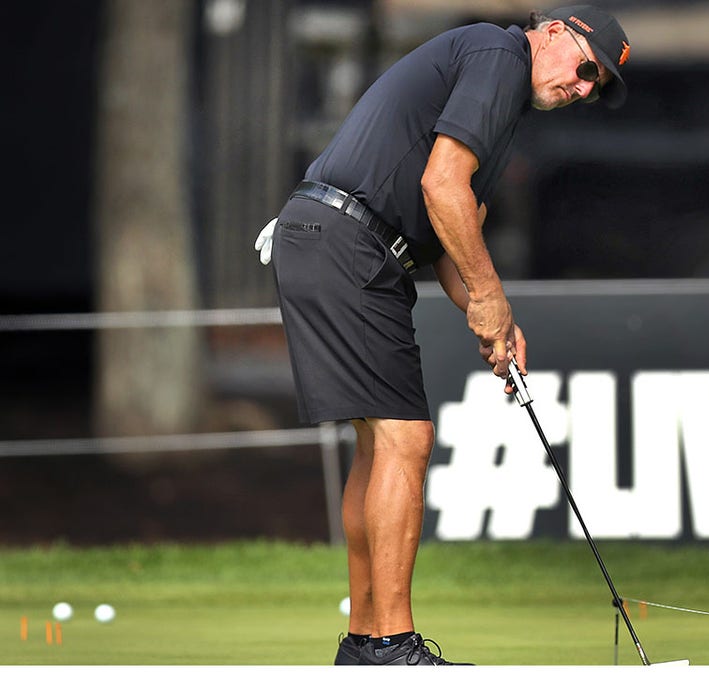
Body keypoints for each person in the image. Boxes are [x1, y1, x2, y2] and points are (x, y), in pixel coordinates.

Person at [253, 5, 631, 667]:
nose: (581, 88)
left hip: (349, 245)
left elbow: (454, 241)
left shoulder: (502, 103)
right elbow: (441, 186)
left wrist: (497, 325)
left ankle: (365, 643)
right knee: (406, 437)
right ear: (552, 32)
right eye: (584, 68)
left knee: (380, 445)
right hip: (347, 240)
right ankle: (392, 645)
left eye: (591, 87)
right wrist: (490, 300)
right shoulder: (498, 55)